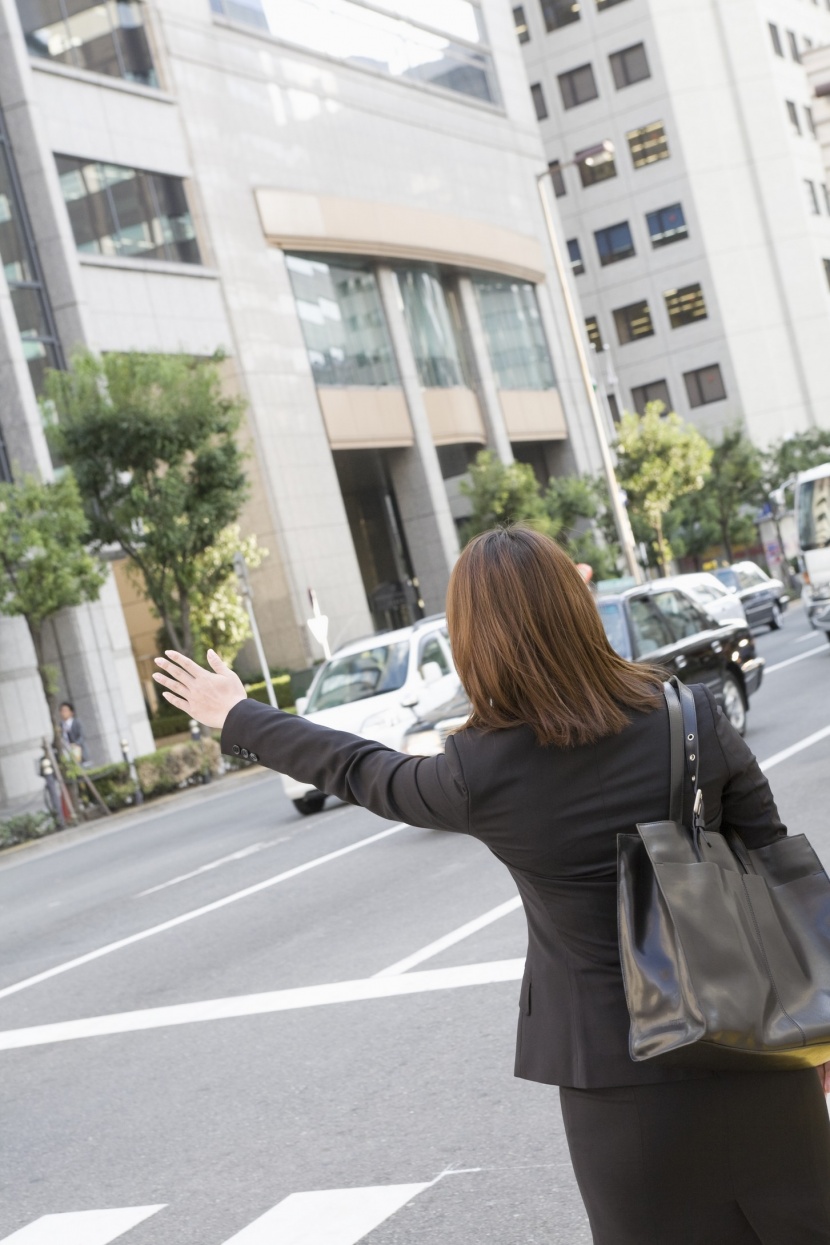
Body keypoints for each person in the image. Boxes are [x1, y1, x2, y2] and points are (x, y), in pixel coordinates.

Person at [153, 526, 830, 1245]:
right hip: (759, 1045)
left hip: (618, 1076)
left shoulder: (477, 772)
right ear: (580, 606)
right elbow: (776, 861)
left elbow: (359, 768)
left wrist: (238, 715)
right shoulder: (687, 715)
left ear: (474, 640)